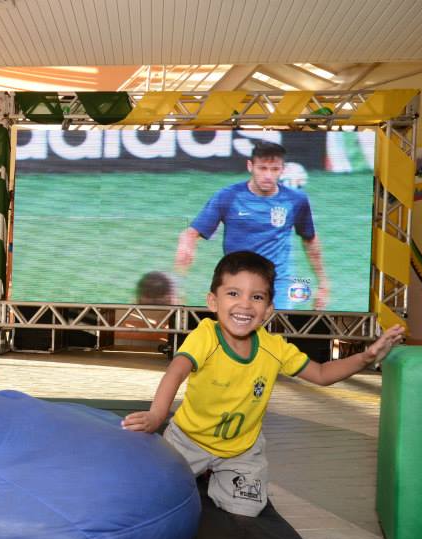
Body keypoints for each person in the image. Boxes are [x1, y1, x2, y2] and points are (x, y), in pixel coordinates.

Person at [121, 251, 404, 517]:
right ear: (212, 301)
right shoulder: (205, 335)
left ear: (268, 309)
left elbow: (321, 374)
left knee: (246, 510)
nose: (245, 304)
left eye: (256, 297)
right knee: (154, 494)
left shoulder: (274, 348)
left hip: (242, 449)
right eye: (233, 293)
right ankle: (199, 471)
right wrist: (157, 415)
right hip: (189, 440)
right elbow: (175, 372)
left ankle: (218, 475)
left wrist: (366, 357)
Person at [174, 141, 330, 310]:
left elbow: (310, 240)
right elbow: (191, 233)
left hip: (277, 281)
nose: (268, 176)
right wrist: (186, 244)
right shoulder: (228, 196)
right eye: (262, 168)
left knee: (277, 330)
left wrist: (322, 282)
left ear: (282, 170)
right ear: (250, 166)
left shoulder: (296, 199)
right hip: (236, 279)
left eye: (274, 169)